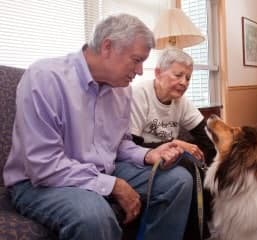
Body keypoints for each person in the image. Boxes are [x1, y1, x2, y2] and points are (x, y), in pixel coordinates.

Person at [3, 14, 194, 240]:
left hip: (101, 169)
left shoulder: (122, 89)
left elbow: (120, 144)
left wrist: (148, 154)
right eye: (136, 60)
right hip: (40, 182)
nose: (141, 71)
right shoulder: (45, 78)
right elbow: (43, 165)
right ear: (107, 47)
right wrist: (113, 185)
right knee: (94, 215)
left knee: (178, 181)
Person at [129, 48, 257, 239]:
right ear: (158, 72)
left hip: (171, 157)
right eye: (178, 75)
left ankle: (220, 222)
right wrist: (175, 144)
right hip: (141, 161)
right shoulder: (138, 95)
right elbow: (131, 146)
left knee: (203, 162)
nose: (184, 82)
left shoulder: (181, 102)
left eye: (188, 77)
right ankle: (200, 233)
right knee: (188, 164)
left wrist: (253, 165)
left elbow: (208, 141)